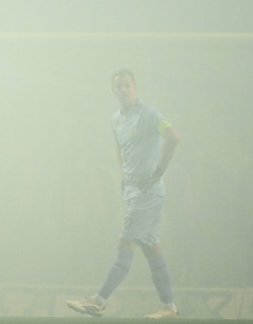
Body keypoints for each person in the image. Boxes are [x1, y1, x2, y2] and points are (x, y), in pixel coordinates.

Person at [66, 69, 181, 319]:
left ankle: (98, 300)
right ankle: (169, 306)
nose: (124, 90)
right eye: (119, 87)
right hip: (132, 192)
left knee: (125, 242)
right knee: (151, 248)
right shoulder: (115, 119)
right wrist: (125, 180)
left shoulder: (149, 114)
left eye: (127, 85)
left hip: (147, 193)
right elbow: (120, 150)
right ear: (113, 91)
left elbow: (173, 136)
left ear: (135, 87)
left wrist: (159, 171)